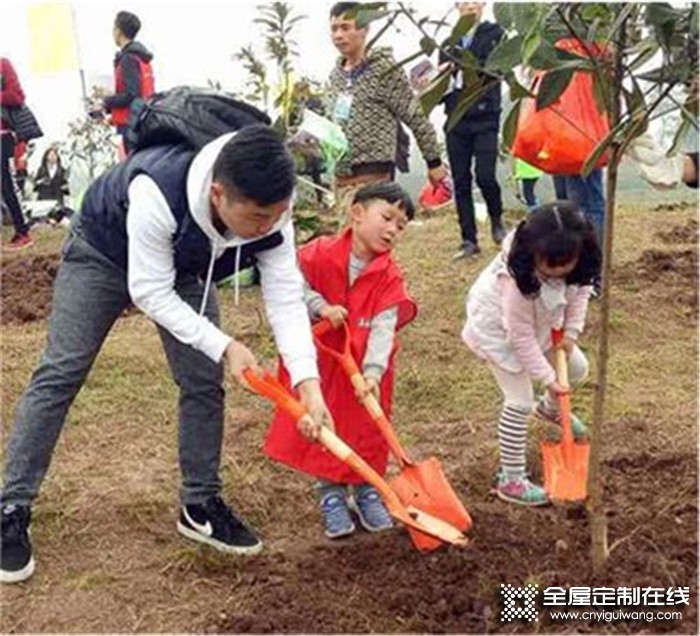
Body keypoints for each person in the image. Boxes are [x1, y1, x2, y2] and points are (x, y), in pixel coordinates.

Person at [0, 124, 334, 584]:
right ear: (218, 194)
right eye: (258, 218)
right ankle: (11, 507)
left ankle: (200, 503)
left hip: (184, 263)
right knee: (62, 372)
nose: (268, 226)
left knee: (202, 381)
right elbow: (149, 291)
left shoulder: (273, 204)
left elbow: (284, 295)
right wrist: (226, 345)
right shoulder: (158, 189)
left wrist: (308, 383)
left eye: (277, 215)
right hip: (104, 251)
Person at [264, 182, 417, 539]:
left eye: (401, 226)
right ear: (358, 213)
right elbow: (290, 285)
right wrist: (320, 307)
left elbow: (384, 325)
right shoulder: (318, 254)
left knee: (367, 429)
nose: (393, 229)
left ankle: (367, 490)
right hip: (321, 364)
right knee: (326, 426)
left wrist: (374, 371)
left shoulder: (389, 275)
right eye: (388, 217)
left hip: (364, 369)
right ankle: (330, 494)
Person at [461, 203, 600, 506]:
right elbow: (519, 338)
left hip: (541, 323)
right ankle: (511, 480)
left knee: (577, 369)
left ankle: (551, 410)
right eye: (550, 265)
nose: (560, 270)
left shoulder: (577, 266)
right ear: (532, 253)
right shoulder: (515, 282)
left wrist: (572, 333)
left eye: (567, 263)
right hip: (499, 332)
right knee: (519, 402)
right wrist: (547, 378)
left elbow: (580, 293)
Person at [327, 2, 447, 219]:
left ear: (365, 29)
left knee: (369, 243)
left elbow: (414, 115)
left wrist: (434, 162)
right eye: (334, 28)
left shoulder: (384, 70)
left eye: (345, 27)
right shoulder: (335, 76)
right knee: (346, 245)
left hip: (374, 175)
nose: (338, 35)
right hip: (341, 177)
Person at [440, 2, 506, 259]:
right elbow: (441, 84)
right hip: (456, 119)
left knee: (485, 176)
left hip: (486, 117)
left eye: (474, 1)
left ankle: (497, 220)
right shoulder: (447, 43)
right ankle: (468, 239)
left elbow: (498, 70)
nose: (470, 6)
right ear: (456, 6)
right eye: (463, 1)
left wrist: (467, 67)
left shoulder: (496, 35)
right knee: (461, 181)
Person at [94, 11, 154, 153]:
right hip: (143, 118)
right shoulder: (141, 57)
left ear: (118, 31)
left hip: (132, 124)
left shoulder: (128, 59)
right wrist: (109, 109)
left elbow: (131, 94)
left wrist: (105, 102)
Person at [1, 57, 33, 249]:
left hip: (3, 134)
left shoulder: (3, 64)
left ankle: (23, 232)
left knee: (7, 185)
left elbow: (17, 96)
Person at [34, 146, 71, 223]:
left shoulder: (62, 170)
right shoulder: (41, 169)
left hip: (57, 197)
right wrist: (41, 181)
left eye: (54, 155)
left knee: (59, 217)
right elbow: (35, 184)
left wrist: (65, 187)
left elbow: (65, 185)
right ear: (46, 157)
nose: (52, 157)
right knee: (43, 219)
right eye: (50, 155)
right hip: (44, 197)